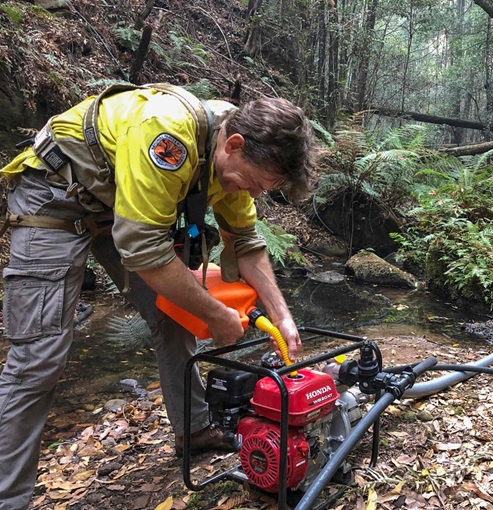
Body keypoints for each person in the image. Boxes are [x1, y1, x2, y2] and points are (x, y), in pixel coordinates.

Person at [0, 83, 316, 509]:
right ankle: (9, 499)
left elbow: (245, 239)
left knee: (176, 315)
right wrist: (218, 315)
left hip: (120, 206)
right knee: (38, 357)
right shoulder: (168, 134)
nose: (254, 194)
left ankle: (195, 430)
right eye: (255, 183)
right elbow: (144, 249)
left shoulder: (235, 158)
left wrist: (282, 314)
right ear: (234, 144)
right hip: (54, 193)